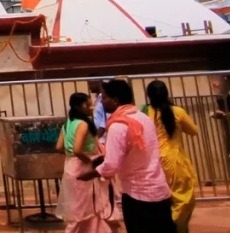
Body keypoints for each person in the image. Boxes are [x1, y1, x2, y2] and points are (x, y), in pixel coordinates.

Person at [78, 79, 174, 233]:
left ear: (115, 100)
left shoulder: (118, 126)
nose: (102, 101)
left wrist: (88, 174)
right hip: (159, 191)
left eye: (105, 97)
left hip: (137, 195)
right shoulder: (144, 118)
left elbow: (111, 165)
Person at [143, 81, 198, 232]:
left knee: (163, 201)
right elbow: (193, 131)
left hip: (153, 162)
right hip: (174, 160)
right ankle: (169, 227)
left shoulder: (145, 113)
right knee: (184, 199)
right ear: (166, 93)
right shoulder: (177, 111)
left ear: (149, 95)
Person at [55, 93, 112, 233]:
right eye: (88, 105)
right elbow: (77, 150)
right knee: (83, 207)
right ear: (80, 106)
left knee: (80, 204)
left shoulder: (67, 124)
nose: (91, 108)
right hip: (83, 167)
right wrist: (90, 160)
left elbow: (59, 147)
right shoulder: (83, 124)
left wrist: (70, 154)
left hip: (70, 166)